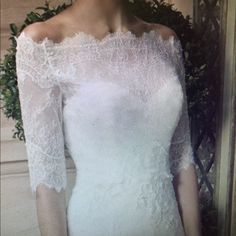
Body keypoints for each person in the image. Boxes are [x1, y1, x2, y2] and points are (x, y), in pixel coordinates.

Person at [15, 0, 202, 235]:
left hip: (167, 222)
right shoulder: (42, 42)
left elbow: (182, 156)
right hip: (101, 223)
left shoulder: (166, 40)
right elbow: (48, 181)